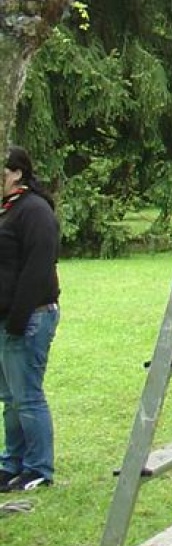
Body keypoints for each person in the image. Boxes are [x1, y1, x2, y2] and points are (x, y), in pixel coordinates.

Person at [0, 146, 61, 493]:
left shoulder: (34, 210)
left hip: (30, 317)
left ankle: (38, 467)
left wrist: (18, 319)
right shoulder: (8, 211)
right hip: (9, 319)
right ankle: (13, 462)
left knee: (27, 396)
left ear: (17, 173)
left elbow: (38, 268)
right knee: (9, 397)